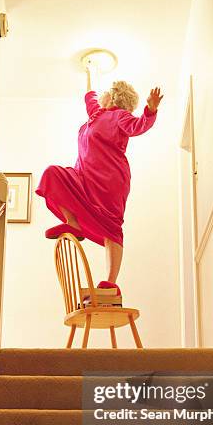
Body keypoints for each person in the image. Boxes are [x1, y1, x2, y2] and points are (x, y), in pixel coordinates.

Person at [35, 65, 163, 296]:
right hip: (83, 175)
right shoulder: (95, 114)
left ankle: (110, 282)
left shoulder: (120, 116)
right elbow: (90, 95)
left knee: (112, 227)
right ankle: (72, 223)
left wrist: (150, 110)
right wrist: (89, 71)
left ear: (115, 97)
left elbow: (138, 126)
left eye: (108, 92)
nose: (102, 94)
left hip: (111, 180)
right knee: (52, 174)